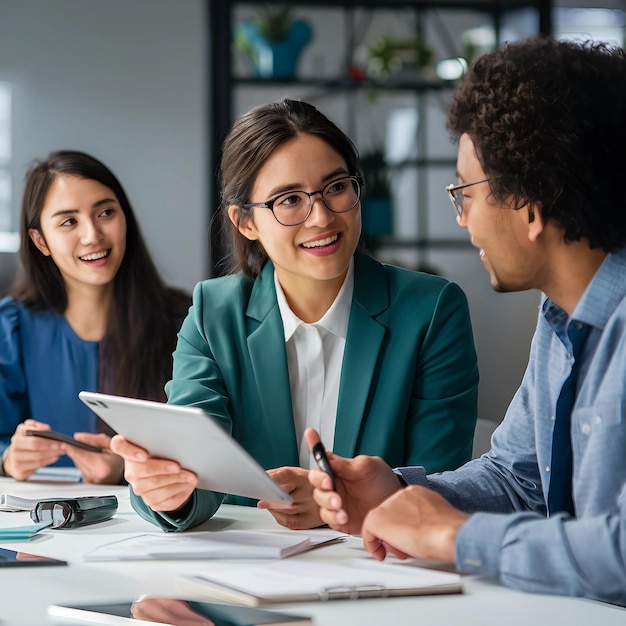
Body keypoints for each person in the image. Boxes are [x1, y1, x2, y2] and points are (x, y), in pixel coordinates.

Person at [308, 36, 626, 607]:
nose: (463, 221)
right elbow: (517, 478)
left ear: (529, 205)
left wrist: (452, 533)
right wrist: (403, 493)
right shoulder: (561, 319)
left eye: (465, 194)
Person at [111, 98, 479, 531]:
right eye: (289, 200)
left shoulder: (432, 311)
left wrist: (337, 503)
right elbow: (192, 462)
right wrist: (165, 488)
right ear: (245, 222)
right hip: (243, 573)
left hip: (380, 566)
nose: (321, 217)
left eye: (336, 187)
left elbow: (439, 485)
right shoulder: (215, 313)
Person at [0, 150, 190, 484]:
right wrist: (8, 460)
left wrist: (126, 471)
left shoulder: (184, 324)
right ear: (40, 240)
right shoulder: (11, 329)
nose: (92, 235)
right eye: (69, 221)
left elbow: (203, 454)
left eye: (105, 212)